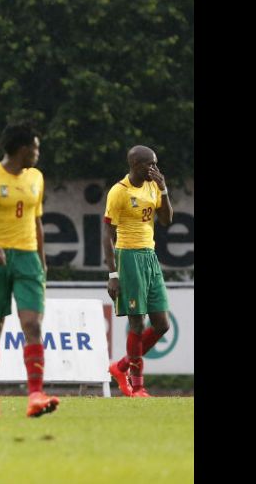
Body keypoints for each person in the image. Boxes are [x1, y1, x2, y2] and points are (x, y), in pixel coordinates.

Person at [0, 121, 59, 418]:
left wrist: (42, 261)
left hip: (28, 258)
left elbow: (36, 220)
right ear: (23, 150)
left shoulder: (36, 177)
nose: (37, 154)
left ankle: (35, 395)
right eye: (35, 148)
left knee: (32, 325)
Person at [103, 145, 173, 398]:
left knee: (162, 324)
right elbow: (107, 235)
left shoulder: (154, 186)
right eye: (149, 164)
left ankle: (121, 367)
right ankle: (137, 386)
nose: (154, 169)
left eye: (155, 164)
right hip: (128, 256)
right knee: (136, 322)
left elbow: (166, 220)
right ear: (135, 165)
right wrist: (113, 274)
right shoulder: (119, 192)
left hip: (149, 256)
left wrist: (164, 190)